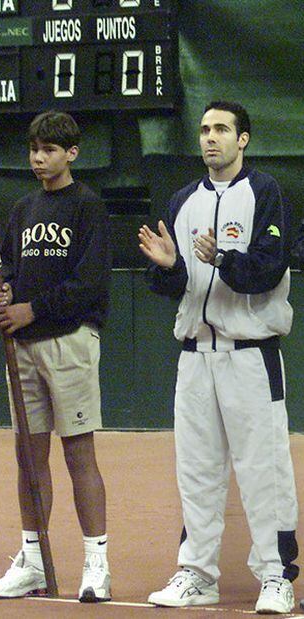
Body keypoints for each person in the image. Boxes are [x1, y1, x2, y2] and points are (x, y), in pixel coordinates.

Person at [138, 101, 299, 614]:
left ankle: (276, 576)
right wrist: (167, 268)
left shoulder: (266, 192)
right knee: (197, 470)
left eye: (222, 129)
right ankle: (197, 572)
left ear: (243, 139)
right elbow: (175, 284)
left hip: (250, 355)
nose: (211, 138)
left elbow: (269, 269)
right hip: (194, 357)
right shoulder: (183, 200)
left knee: (264, 469)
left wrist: (222, 258)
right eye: (205, 130)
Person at [0, 111, 112, 603]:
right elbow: (12, 270)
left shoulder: (88, 207)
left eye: (50, 151)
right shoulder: (21, 209)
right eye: (34, 150)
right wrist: (5, 292)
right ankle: (34, 560)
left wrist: (29, 308)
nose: (39, 159)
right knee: (28, 457)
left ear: (72, 153)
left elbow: (89, 286)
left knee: (79, 451)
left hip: (70, 341)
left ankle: (96, 564)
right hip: (24, 347)